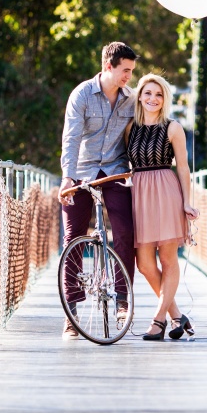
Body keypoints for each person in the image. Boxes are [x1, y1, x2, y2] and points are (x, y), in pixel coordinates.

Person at [58, 41, 138, 339]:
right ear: (108, 66)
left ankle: (122, 300)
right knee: (73, 238)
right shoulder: (81, 95)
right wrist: (68, 178)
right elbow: (71, 138)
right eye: (125, 70)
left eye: (132, 71)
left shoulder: (131, 99)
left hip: (115, 171)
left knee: (126, 231)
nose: (129, 76)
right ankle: (72, 312)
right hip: (81, 171)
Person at [125, 73, 200, 341]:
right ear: (140, 96)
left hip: (166, 192)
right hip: (140, 194)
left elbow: (183, 167)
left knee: (168, 259)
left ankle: (158, 320)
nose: (152, 99)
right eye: (147, 93)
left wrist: (187, 201)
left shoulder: (173, 128)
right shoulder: (129, 127)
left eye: (158, 94)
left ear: (164, 98)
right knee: (144, 263)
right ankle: (177, 315)